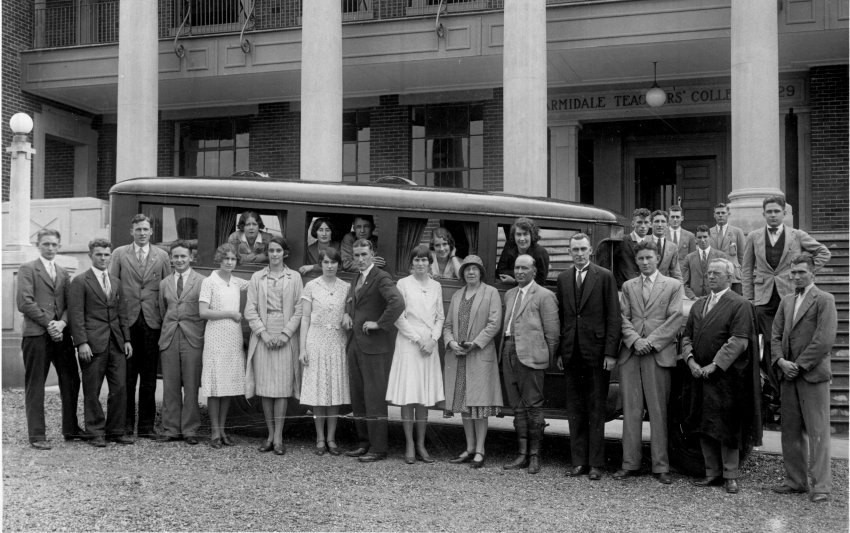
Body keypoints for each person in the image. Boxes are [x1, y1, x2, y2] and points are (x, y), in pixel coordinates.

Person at [742, 196, 831, 427]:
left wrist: (805, 273)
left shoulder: (797, 236)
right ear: (764, 214)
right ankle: (779, 393)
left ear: (784, 214)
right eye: (768, 211)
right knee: (771, 345)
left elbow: (823, 252)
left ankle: (790, 395)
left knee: (792, 343)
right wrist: (749, 298)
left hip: (790, 297)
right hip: (763, 300)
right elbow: (746, 269)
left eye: (776, 211)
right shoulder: (753, 237)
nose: (772, 215)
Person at [682, 258, 761, 495]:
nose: (711, 277)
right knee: (704, 424)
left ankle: (730, 475)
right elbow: (686, 337)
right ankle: (711, 473)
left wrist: (714, 365)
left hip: (726, 378)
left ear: (729, 277)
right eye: (708, 273)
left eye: (717, 273)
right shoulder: (698, 305)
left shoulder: (740, 305)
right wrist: (691, 361)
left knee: (727, 426)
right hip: (699, 375)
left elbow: (739, 340)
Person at [614, 241, 684, 484]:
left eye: (649, 258)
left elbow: (675, 318)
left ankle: (660, 466)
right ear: (636, 260)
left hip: (658, 354)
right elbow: (621, 317)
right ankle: (630, 463)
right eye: (641, 258)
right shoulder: (628, 286)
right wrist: (634, 340)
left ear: (658, 258)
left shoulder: (673, 286)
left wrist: (650, 342)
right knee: (631, 411)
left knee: (658, 412)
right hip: (632, 354)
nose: (645, 262)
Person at [770, 254, 837, 504]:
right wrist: (780, 361)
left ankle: (822, 486)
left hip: (812, 376)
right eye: (793, 272)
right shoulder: (786, 301)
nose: (796, 276)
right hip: (788, 376)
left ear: (813, 273)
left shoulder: (824, 300)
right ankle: (795, 481)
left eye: (801, 272)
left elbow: (824, 340)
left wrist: (798, 365)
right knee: (790, 432)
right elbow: (775, 335)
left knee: (818, 432)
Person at [555, 234, 621, 480]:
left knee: (596, 410)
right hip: (572, 353)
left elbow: (614, 316)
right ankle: (578, 461)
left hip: (596, 354)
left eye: (583, 249)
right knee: (575, 409)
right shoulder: (563, 278)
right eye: (575, 250)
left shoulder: (604, 276)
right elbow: (561, 318)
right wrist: (560, 352)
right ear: (569, 251)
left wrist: (610, 353)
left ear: (591, 250)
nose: (579, 253)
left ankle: (596, 464)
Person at [16, 229, 85, 449]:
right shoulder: (28, 269)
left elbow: (69, 304)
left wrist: (62, 323)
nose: (51, 248)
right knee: (36, 384)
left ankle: (71, 428)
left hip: (61, 335)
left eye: (54, 244)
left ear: (59, 245)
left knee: (72, 379)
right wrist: (49, 324)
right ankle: (37, 435)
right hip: (37, 335)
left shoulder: (63, 273)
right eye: (46, 244)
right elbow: (24, 303)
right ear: (38, 245)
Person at [109, 214, 171, 439]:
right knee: (127, 377)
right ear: (131, 231)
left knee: (149, 379)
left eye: (145, 229)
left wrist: (164, 321)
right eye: (138, 230)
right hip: (127, 322)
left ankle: (146, 427)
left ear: (152, 231)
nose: (142, 233)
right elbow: (113, 287)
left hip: (153, 322)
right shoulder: (119, 254)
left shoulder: (162, 256)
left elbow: (167, 289)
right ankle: (125, 425)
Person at [342, 238, 404, 463]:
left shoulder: (381, 277)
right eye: (356, 255)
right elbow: (353, 301)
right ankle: (363, 443)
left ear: (372, 254)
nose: (360, 259)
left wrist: (379, 324)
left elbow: (397, 303)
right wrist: (347, 312)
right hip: (356, 345)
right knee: (358, 397)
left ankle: (379, 448)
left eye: (364, 255)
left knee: (374, 398)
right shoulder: (357, 276)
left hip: (375, 348)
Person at [69, 239, 134, 447]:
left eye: (107, 255)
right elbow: (76, 314)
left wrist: (127, 339)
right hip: (92, 344)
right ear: (91, 255)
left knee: (120, 387)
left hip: (116, 342)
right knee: (92, 389)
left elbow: (121, 313)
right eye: (99, 254)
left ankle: (115, 430)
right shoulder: (80, 281)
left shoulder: (115, 281)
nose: (103, 258)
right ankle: (95, 431)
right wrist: (81, 343)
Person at [386, 245, 446, 464]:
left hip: (429, 345)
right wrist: (419, 339)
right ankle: (409, 443)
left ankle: (421, 444)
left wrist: (433, 340)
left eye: (424, 260)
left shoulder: (436, 286)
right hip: (409, 343)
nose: (421, 264)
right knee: (409, 394)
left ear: (430, 263)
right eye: (417, 260)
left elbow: (440, 317)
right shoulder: (402, 284)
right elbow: (398, 317)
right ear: (411, 263)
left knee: (423, 396)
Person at [501, 254, 559, 474]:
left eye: (524, 268)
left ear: (534, 271)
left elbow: (552, 333)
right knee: (517, 407)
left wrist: (545, 358)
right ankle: (522, 454)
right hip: (508, 351)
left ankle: (535, 456)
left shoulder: (545, 296)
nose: (519, 272)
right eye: (516, 268)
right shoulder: (509, 294)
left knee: (533, 407)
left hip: (532, 356)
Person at [443, 255, 503, 469]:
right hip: (459, 356)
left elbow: (494, 323)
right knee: (464, 406)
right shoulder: (458, 295)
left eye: (475, 269)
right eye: (467, 269)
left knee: (479, 405)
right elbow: (448, 324)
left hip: (479, 355)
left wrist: (475, 343)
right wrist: (451, 343)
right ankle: (469, 448)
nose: (470, 272)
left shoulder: (491, 293)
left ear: (481, 272)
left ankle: (480, 450)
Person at [245, 236, 303, 456]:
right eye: (271, 251)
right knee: (266, 389)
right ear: (267, 253)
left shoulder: (295, 277)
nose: (275, 254)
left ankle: (279, 437)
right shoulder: (257, 277)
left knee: (281, 389)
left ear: (285, 253)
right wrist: (264, 334)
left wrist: (286, 334)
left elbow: (299, 309)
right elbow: (250, 309)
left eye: (279, 250)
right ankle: (269, 435)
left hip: (286, 332)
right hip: (263, 333)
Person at [299, 247, 351, 456]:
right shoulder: (311, 285)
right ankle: (320, 438)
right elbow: (304, 318)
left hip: (337, 342)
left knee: (333, 392)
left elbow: (349, 311)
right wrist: (302, 348)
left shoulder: (346, 287)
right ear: (320, 264)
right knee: (319, 393)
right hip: (316, 340)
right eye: (326, 262)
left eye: (333, 262)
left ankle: (332, 438)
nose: (330, 266)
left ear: (338, 264)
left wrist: (347, 314)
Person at [199, 243, 249, 449]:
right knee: (215, 385)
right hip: (216, 336)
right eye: (226, 258)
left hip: (233, 336)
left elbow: (259, 281)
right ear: (219, 259)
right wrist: (230, 314)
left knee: (227, 385)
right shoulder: (209, 281)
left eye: (233, 259)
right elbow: (203, 312)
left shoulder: (237, 282)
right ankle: (214, 432)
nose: (229, 262)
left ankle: (223, 431)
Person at [157, 241, 206, 445]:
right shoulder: (164, 283)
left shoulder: (202, 281)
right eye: (175, 257)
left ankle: (190, 429)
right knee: (170, 386)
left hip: (192, 338)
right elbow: (162, 310)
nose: (179, 260)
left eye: (183, 256)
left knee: (192, 385)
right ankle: (170, 428)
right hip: (169, 337)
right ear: (170, 259)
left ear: (191, 257)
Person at [496, 217, 549, 286]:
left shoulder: (540, 252)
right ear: (514, 236)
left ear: (531, 235)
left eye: (525, 234)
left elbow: (540, 282)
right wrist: (526, 274)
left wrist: (515, 281)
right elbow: (500, 271)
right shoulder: (509, 247)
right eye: (518, 234)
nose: (522, 239)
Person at [681, 225, 729, 300]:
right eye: (699, 237)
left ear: (710, 237)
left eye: (705, 237)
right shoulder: (689, 258)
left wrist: (717, 296)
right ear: (695, 239)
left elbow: (726, 280)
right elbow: (684, 283)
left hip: (715, 299)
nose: (702, 240)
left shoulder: (720, 256)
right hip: (695, 300)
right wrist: (692, 297)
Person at [709, 203, 745, 294]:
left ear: (728, 214)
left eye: (723, 213)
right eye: (718, 213)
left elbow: (742, 256)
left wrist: (742, 274)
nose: (720, 215)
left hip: (733, 276)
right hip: (715, 274)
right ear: (714, 215)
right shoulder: (709, 232)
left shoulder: (737, 232)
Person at [613, 208, 652, 289]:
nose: (643, 226)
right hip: (623, 289)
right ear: (633, 224)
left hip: (645, 289)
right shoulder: (621, 241)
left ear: (650, 224)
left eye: (646, 222)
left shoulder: (651, 245)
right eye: (639, 222)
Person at [648, 210, 683, 282]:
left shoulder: (672, 247)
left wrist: (681, 291)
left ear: (667, 225)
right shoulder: (643, 242)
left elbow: (676, 274)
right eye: (657, 221)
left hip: (664, 288)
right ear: (651, 224)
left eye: (663, 221)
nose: (660, 225)